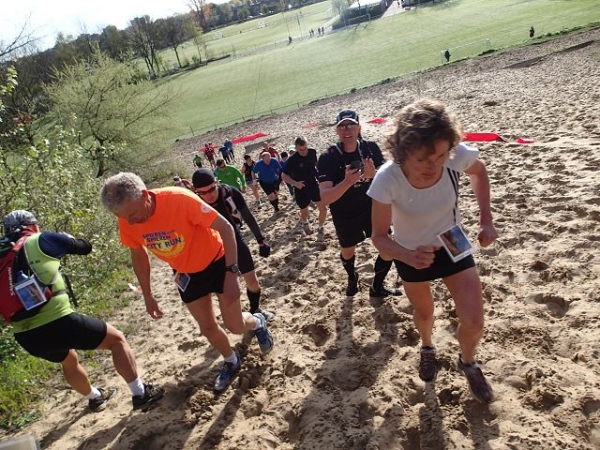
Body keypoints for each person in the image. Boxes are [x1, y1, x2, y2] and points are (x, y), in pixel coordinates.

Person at [368, 98, 497, 403]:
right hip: (410, 249)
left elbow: (479, 173)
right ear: (402, 152)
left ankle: (468, 362)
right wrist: (406, 255)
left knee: (475, 321)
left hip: (452, 238)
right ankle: (427, 347)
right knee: (425, 312)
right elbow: (379, 237)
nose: (434, 165)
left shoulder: (453, 156)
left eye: (440, 155)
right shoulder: (387, 178)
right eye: (422, 158)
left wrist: (486, 220)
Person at [100, 173, 274, 394]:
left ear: (144, 195)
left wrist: (231, 273)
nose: (131, 222)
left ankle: (257, 322)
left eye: (133, 214)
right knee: (207, 328)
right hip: (186, 273)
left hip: (218, 263)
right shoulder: (126, 217)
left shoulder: (179, 199)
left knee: (235, 326)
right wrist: (147, 294)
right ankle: (231, 359)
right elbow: (138, 255)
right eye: (124, 217)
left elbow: (226, 228)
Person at [1, 210, 164, 411]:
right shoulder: (40, 240)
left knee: (69, 359)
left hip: (26, 336)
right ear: (33, 226)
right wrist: (67, 239)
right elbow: (85, 247)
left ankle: (95, 397)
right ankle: (141, 394)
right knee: (117, 341)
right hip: (59, 321)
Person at [317, 109, 401, 298]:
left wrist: (373, 176)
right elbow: (326, 198)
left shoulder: (370, 148)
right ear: (337, 130)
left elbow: (390, 180)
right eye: (342, 126)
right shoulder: (328, 156)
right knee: (348, 251)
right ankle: (352, 277)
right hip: (344, 212)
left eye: (351, 125)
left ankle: (377, 287)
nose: (346, 130)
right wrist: (348, 182)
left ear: (359, 128)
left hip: (372, 207)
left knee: (388, 248)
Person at [191, 169, 274, 319]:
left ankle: (255, 310)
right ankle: (236, 320)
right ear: (195, 190)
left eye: (212, 189)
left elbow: (248, 216)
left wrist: (261, 240)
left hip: (235, 241)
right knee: (227, 291)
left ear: (216, 182)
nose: (209, 195)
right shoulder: (193, 203)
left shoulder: (230, 193)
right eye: (203, 192)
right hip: (212, 249)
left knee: (253, 282)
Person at [282, 137, 327, 235]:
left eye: (305, 148)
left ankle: (320, 227)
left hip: (313, 184)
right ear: (296, 148)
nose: (304, 151)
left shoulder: (312, 152)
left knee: (323, 209)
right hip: (300, 187)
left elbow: (315, 166)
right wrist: (295, 183)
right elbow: (284, 176)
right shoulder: (293, 160)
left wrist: (320, 177)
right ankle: (305, 222)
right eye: (301, 149)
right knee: (305, 211)